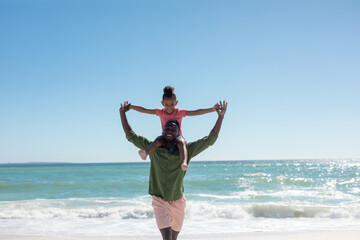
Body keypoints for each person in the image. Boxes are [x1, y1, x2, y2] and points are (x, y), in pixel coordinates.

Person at [119, 100, 227, 240]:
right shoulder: (154, 147)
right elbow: (131, 136)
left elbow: (209, 140)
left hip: (178, 201)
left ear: (178, 134)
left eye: (173, 129)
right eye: (167, 129)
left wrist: (220, 117)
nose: (169, 131)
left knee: (173, 238)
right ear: (163, 131)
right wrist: (122, 114)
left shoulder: (186, 150)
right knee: (167, 238)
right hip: (159, 200)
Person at [129, 86, 218, 171]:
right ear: (162, 103)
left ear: (176, 103)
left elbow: (195, 112)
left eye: (172, 104)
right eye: (166, 104)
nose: (169, 107)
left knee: (182, 143)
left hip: (178, 136)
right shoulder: (160, 112)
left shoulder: (179, 112)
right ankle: (145, 153)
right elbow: (145, 110)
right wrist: (131, 107)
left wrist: (212, 109)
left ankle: (184, 162)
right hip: (165, 137)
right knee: (158, 141)